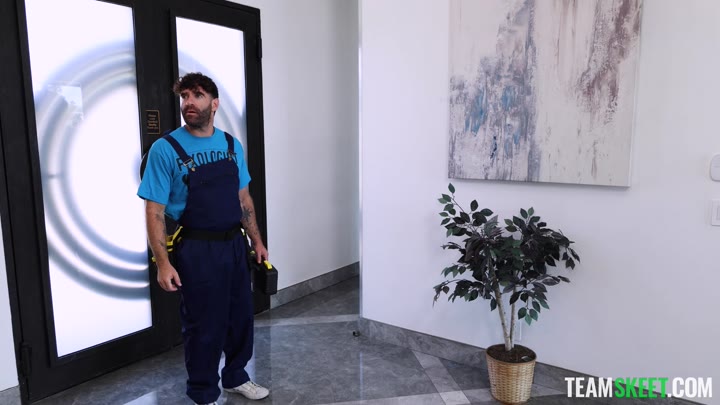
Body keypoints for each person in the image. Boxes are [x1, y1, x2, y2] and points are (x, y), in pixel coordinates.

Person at [137, 72, 269, 405]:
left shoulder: (231, 145)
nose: (189, 103)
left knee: (240, 318)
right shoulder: (165, 149)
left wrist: (256, 241)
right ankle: (203, 393)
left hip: (235, 245)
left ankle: (236, 377)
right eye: (184, 96)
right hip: (197, 249)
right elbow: (154, 211)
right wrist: (162, 263)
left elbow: (243, 199)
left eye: (197, 95)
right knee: (204, 325)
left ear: (214, 103)